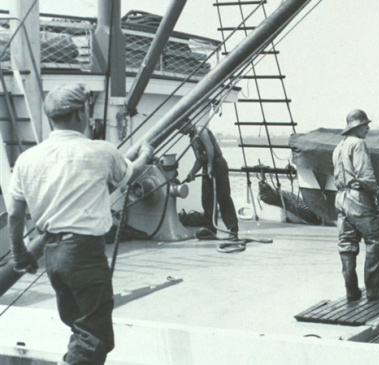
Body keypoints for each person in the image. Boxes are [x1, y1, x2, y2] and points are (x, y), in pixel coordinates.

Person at [8, 83, 153, 365]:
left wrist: (19, 252)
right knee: (95, 335)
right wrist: (146, 155)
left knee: (80, 325)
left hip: (52, 255)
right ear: (79, 114)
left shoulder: (27, 159)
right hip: (84, 253)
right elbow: (130, 173)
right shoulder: (100, 151)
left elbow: (15, 214)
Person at [332, 109, 379, 301]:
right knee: (375, 238)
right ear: (357, 127)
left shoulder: (339, 147)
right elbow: (365, 175)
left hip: (341, 197)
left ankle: (351, 291)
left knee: (347, 243)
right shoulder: (358, 144)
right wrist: (378, 193)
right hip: (357, 198)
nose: (368, 128)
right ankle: (374, 289)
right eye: (365, 125)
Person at [179, 121, 238, 239]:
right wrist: (192, 172)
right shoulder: (192, 139)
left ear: (187, 123)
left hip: (217, 163)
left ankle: (233, 229)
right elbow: (200, 159)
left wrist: (210, 166)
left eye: (180, 127)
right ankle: (210, 228)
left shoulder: (200, 130)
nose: (180, 131)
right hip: (208, 165)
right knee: (207, 198)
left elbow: (209, 147)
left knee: (223, 197)